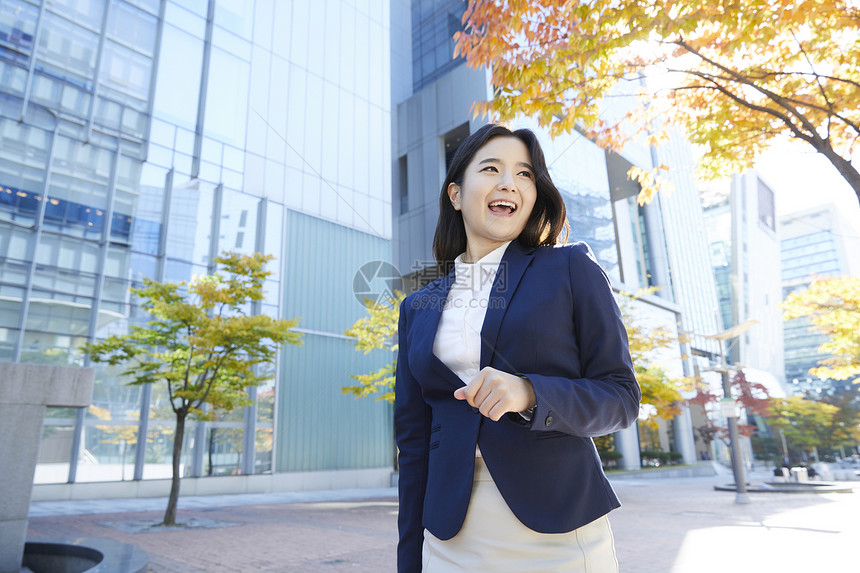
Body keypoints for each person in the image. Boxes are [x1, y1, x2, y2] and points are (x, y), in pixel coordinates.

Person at [394, 123, 641, 572]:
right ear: (455, 194)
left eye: (525, 174)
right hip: (447, 535)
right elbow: (413, 443)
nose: (509, 182)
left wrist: (530, 393)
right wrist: (409, 556)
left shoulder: (570, 268)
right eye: (491, 168)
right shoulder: (418, 305)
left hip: (556, 531)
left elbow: (621, 398)